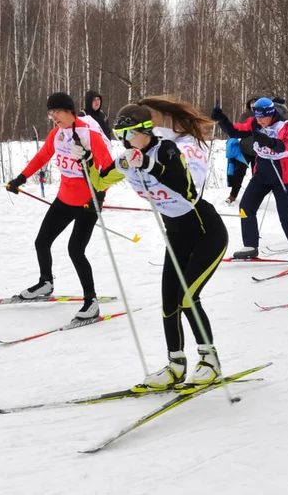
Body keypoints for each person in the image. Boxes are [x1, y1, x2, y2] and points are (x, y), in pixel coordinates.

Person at [87, 97, 228, 388]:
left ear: (145, 131)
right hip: (176, 236)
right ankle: (176, 365)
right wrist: (85, 159)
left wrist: (149, 165)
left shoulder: (167, 150)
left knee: (188, 298)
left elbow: (187, 190)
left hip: (206, 232)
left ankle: (210, 360)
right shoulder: (127, 158)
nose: (124, 142)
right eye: (118, 136)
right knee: (168, 303)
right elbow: (100, 182)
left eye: (128, 135)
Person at [6, 92, 113, 321]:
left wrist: (100, 196)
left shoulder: (89, 134)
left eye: (57, 111)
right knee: (42, 242)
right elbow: (42, 156)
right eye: (50, 112)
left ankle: (91, 302)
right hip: (64, 199)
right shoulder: (57, 133)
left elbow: (108, 168)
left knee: (76, 250)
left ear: (69, 110)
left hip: (87, 202)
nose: (53, 116)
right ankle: (46, 283)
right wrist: (21, 179)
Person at [212, 97, 288, 266]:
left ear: (271, 114)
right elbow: (235, 131)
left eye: (263, 117)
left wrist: (268, 141)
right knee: (245, 207)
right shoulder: (254, 122)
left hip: (282, 176)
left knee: (286, 215)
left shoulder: (285, 126)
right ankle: (250, 245)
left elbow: (285, 146)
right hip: (262, 174)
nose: (260, 120)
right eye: (257, 116)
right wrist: (222, 119)